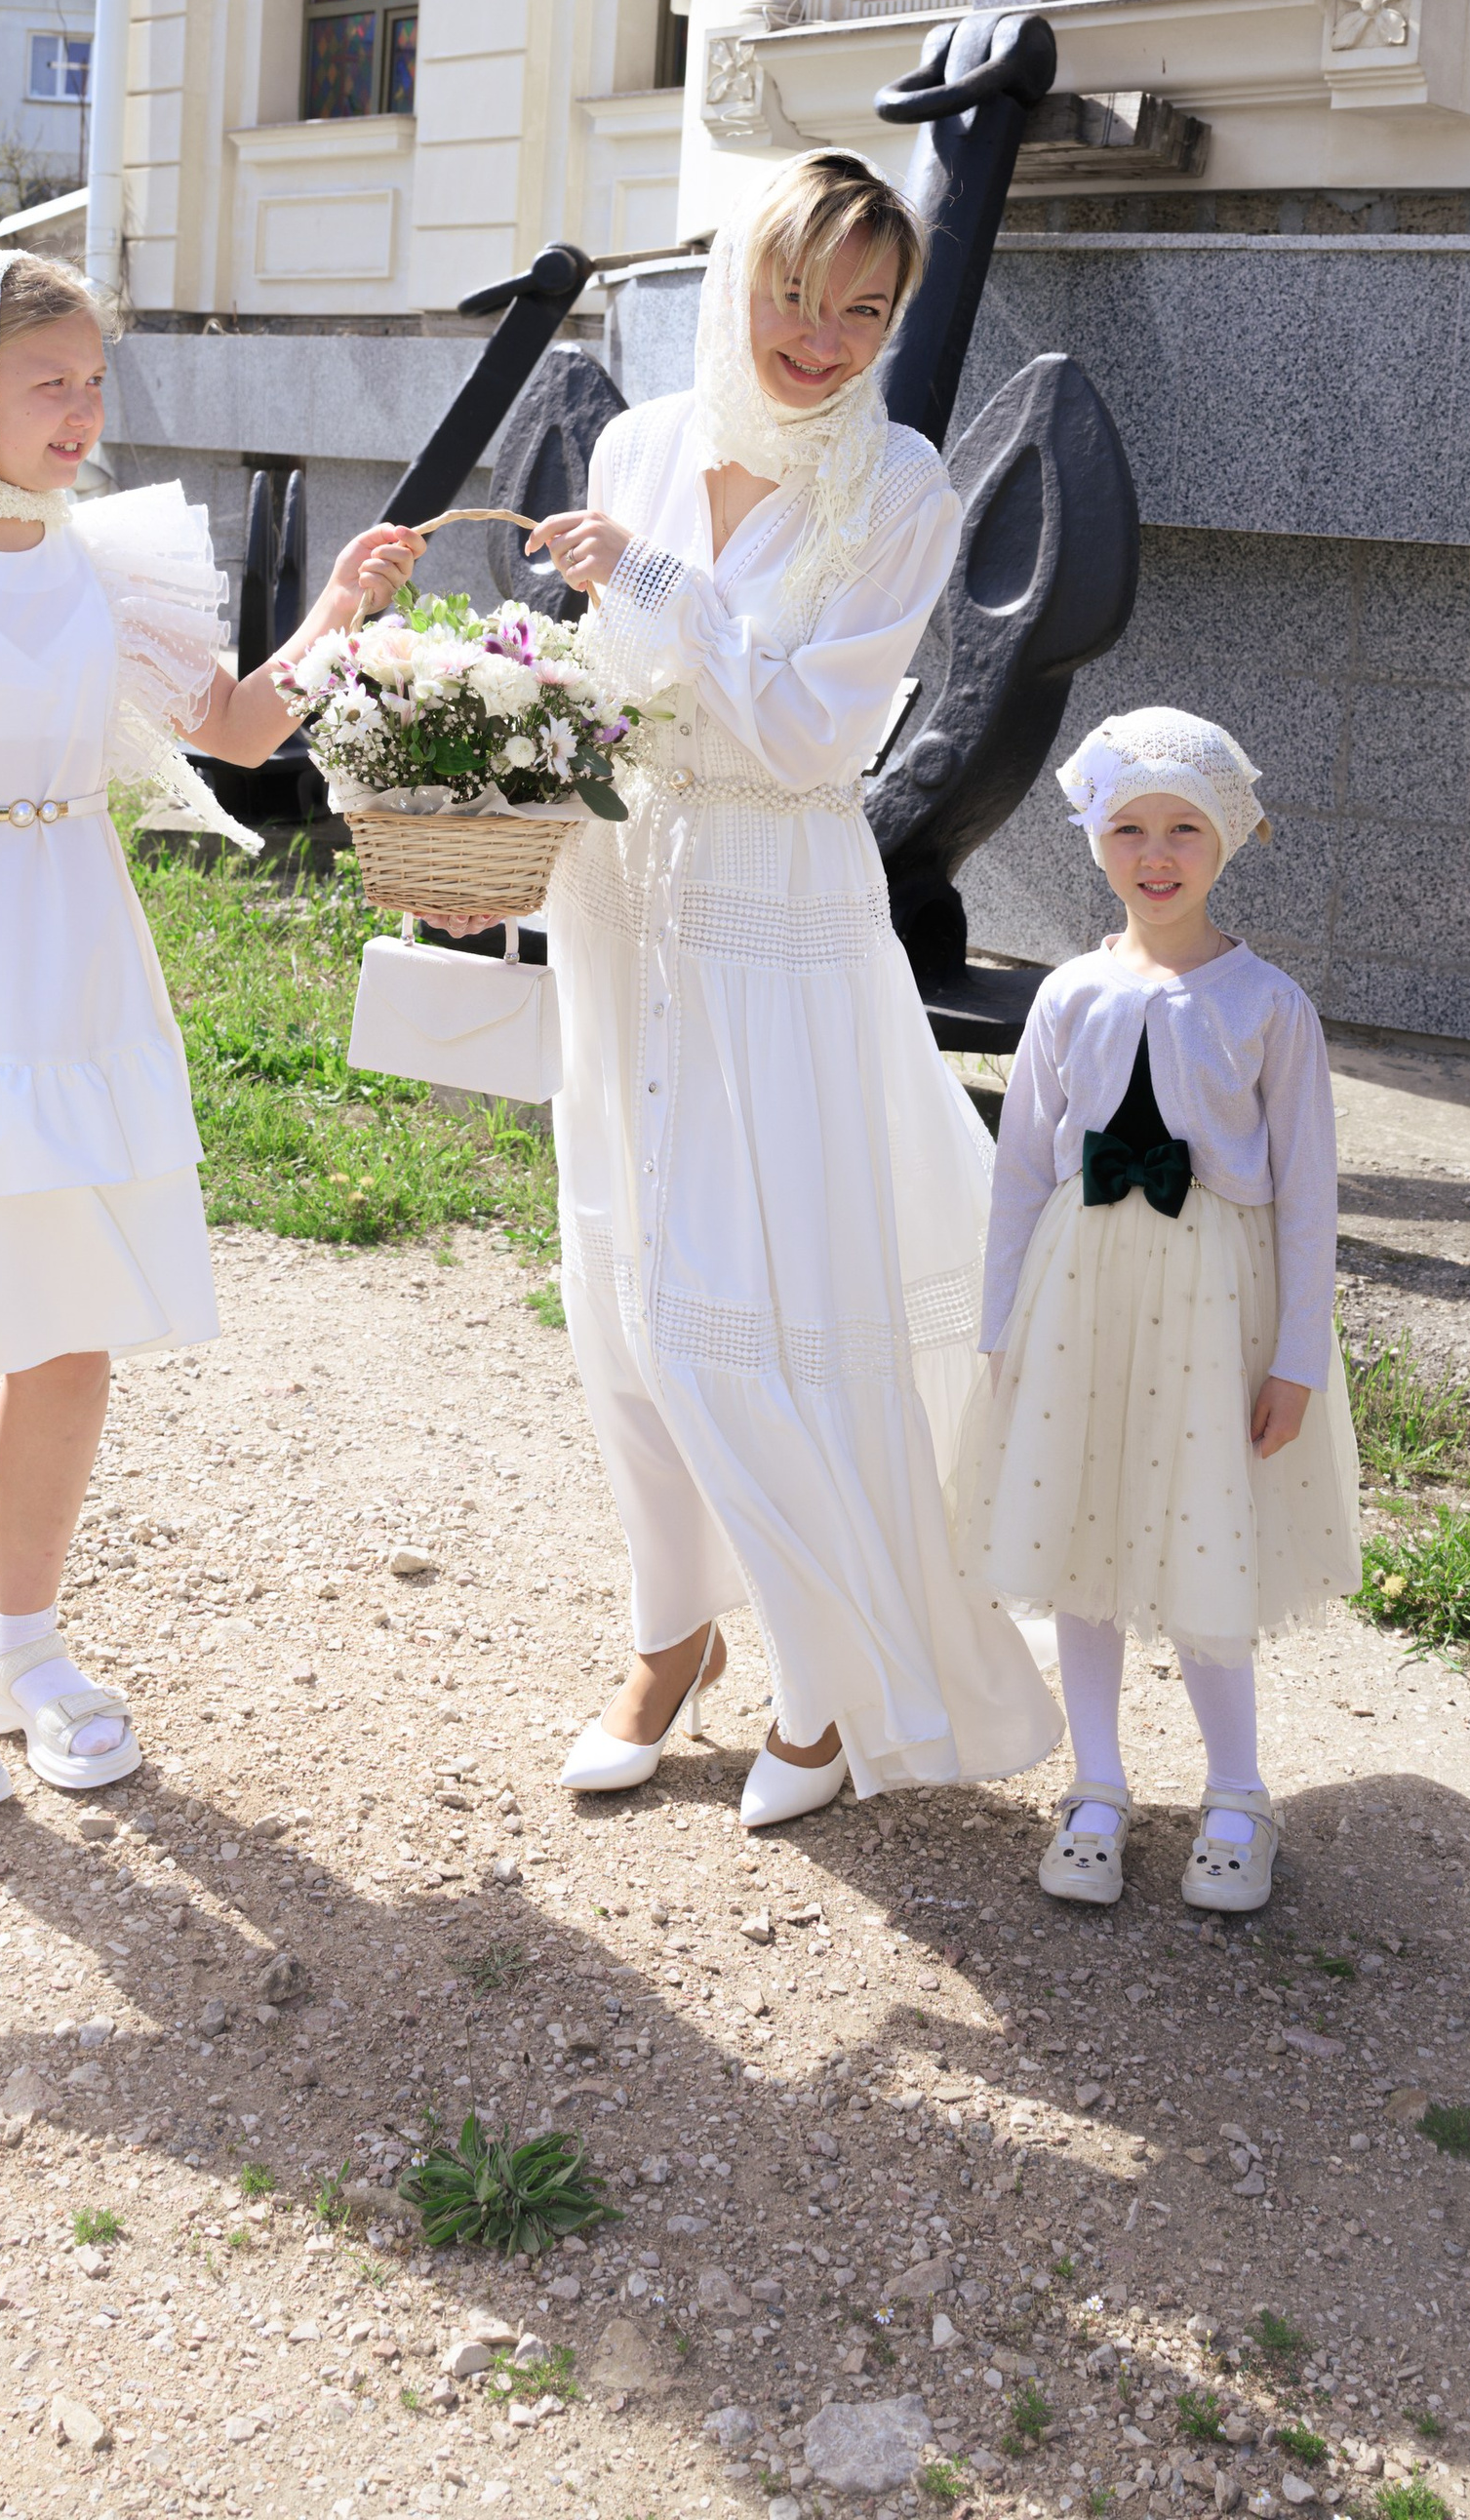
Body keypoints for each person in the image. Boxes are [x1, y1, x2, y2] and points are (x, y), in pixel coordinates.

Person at [0, 247, 420, 1820]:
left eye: (96, 382)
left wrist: (339, 611)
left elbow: (235, 730)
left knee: (67, 1325)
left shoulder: (100, 560)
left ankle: (18, 1647)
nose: (82, 410)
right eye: (51, 382)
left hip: (72, 959)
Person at [522, 150, 1060, 1830]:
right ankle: (669, 1636)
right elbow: (612, 691)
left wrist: (658, 586)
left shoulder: (898, 488)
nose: (818, 337)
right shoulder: (638, 446)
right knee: (619, 1284)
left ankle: (832, 1680)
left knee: (753, 1303)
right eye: (790, 292)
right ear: (733, 278)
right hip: (625, 894)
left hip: (777, 903)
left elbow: (816, 736)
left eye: (861, 310)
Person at [952, 707, 1359, 1910]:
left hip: (1208, 1309)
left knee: (1199, 1532)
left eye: (1184, 827)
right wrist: (998, 1326)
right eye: (1128, 828)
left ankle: (1237, 1796)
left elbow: (1305, 1196)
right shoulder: (1067, 993)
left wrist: (1295, 1357)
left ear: (1231, 835)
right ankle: (1095, 1786)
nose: (1157, 853)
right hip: (1077, 1299)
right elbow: (1023, 1165)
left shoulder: (1268, 1005)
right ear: (1093, 841)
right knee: (1082, 1533)